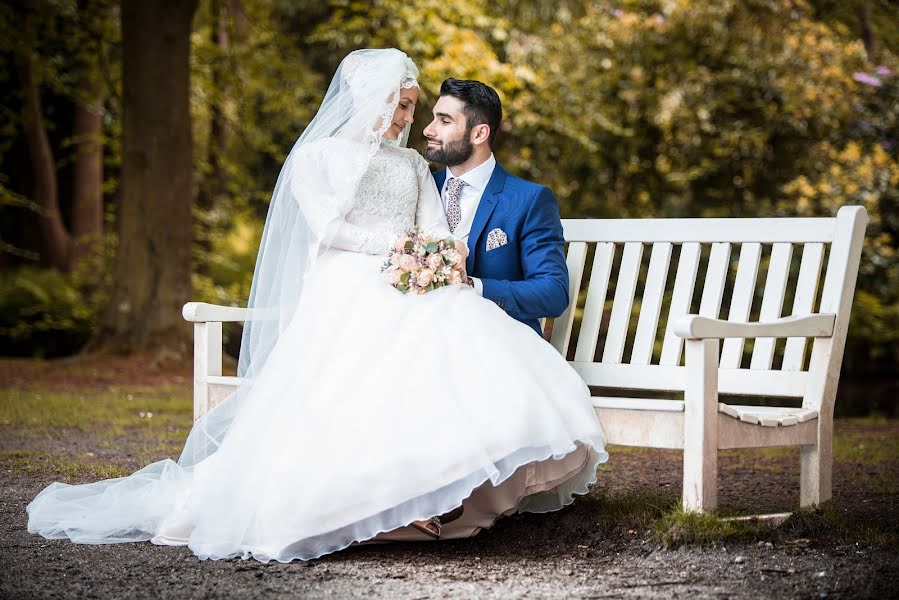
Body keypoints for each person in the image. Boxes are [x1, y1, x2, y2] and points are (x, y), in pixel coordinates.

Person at [26, 49, 607, 563]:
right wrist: (401, 247)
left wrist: (440, 251)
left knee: (449, 347)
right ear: (371, 99)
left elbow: (434, 229)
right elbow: (329, 230)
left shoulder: (411, 166)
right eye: (403, 107)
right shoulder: (317, 157)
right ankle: (362, 502)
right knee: (349, 380)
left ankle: (424, 493)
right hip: (348, 286)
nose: (410, 122)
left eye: (416, 110)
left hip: (409, 282)